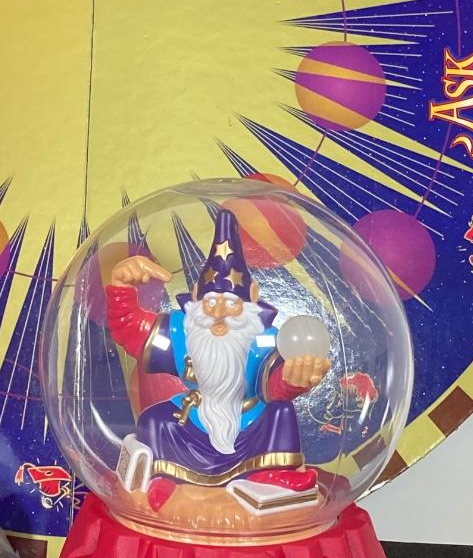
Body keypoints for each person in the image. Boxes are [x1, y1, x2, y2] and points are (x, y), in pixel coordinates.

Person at [105, 209, 330, 514]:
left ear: (252, 298)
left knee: (280, 411)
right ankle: (167, 478)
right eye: (211, 302)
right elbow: (130, 328)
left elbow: (275, 383)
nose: (220, 313)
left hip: (250, 423)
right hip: (194, 418)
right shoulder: (179, 333)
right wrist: (121, 287)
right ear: (196, 295)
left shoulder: (265, 339)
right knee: (154, 420)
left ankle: (271, 473)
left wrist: (294, 378)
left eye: (231, 303)